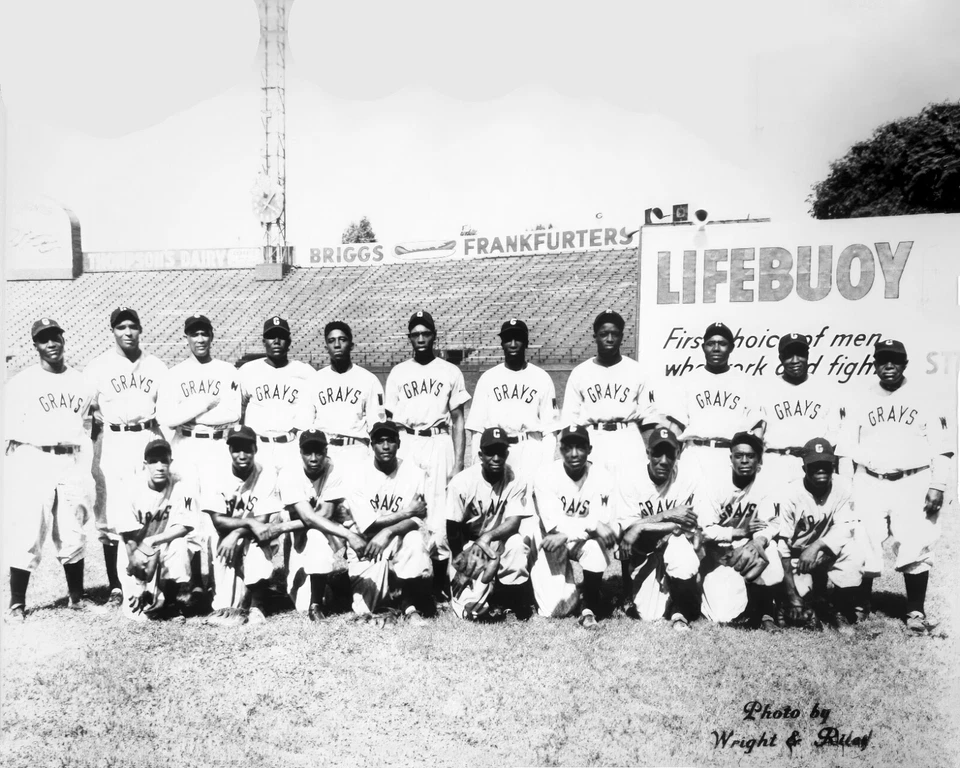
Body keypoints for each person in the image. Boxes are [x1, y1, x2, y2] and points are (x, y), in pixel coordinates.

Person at [840, 339, 953, 634]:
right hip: (869, 479)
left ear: (905, 364)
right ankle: (860, 604)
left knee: (917, 542)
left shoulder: (924, 397)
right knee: (863, 539)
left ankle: (915, 609)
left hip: (913, 479)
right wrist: (845, 487)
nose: (888, 365)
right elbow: (845, 449)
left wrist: (937, 484)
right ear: (875, 364)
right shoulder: (860, 397)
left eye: (894, 360)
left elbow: (941, 448)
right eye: (883, 360)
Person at [4, 318, 102, 621]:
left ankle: (76, 597)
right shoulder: (22, 382)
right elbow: (9, 429)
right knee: (29, 529)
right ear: (36, 346)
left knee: (72, 527)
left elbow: (93, 418)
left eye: (55, 337)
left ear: (63, 339)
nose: (51, 344)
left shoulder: (81, 381)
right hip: (35, 457)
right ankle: (17, 603)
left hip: (70, 458)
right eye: (44, 340)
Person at [157, 313, 243, 608]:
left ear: (212, 336)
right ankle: (194, 582)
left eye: (204, 333)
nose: (200, 339)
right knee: (188, 510)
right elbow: (168, 418)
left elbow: (232, 413)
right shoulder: (175, 373)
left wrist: (190, 412)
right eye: (194, 334)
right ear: (187, 338)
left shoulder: (227, 370)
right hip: (185, 445)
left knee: (215, 511)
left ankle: (218, 581)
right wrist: (204, 403)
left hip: (216, 446)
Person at [384, 310, 470, 599]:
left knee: (441, 511)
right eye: (415, 334)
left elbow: (458, 419)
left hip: (439, 440)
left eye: (426, 333)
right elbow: (392, 421)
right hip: (409, 441)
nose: (421, 339)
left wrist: (458, 463)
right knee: (412, 507)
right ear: (410, 338)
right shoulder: (398, 372)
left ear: (434, 336)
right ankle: (409, 581)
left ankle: (439, 586)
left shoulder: (449, 371)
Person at [85, 306, 167, 608]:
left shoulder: (156, 366)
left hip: (146, 437)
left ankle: (148, 578)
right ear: (113, 331)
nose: (128, 333)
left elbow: (166, 410)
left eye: (132, 326)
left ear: (140, 329)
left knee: (148, 508)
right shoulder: (98, 367)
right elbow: (85, 409)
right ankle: (116, 585)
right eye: (121, 328)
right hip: (114, 439)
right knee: (111, 514)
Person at [343, 421, 434, 623]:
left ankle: (409, 605)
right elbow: (368, 524)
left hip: (397, 538)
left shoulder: (414, 473)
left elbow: (417, 519)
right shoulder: (356, 474)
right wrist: (407, 512)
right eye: (380, 441)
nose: (385, 446)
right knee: (366, 609)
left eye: (390, 441)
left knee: (415, 540)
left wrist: (389, 531)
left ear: (399, 443)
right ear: (371, 445)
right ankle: (341, 584)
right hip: (366, 543)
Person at [529, 426, 617, 628]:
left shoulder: (603, 477)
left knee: (596, 549)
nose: (574, 453)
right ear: (560, 449)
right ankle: (541, 584)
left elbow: (605, 528)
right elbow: (554, 528)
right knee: (555, 610)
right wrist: (591, 524)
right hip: (550, 542)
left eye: (580, 447)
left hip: (578, 540)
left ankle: (589, 604)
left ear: (590, 449)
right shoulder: (545, 475)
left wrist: (587, 527)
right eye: (568, 447)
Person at [662, 321, 765, 491]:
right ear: (703, 347)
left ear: (731, 347)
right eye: (711, 344)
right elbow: (676, 427)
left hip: (730, 456)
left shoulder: (746, 381)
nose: (716, 348)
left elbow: (756, 430)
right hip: (695, 454)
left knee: (730, 511)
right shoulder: (688, 380)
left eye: (722, 344)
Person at [199, 425, 285, 626]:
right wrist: (246, 523)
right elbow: (218, 521)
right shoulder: (215, 474)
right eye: (236, 449)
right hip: (223, 537)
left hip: (252, 536)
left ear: (255, 449)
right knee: (228, 605)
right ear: (229, 451)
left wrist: (237, 532)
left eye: (247, 449)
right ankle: (235, 591)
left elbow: (262, 523)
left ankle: (258, 605)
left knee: (261, 538)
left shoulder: (266, 474)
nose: (242, 454)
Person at [446, 427, 534, 621]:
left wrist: (488, 538)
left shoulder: (516, 479)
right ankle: (482, 590)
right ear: (480, 455)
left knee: (517, 545)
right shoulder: (462, 482)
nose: (496, 457)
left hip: (499, 538)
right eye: (490, 452)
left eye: (500, 452)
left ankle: (511, 598)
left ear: (507, 454)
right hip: (469, 544)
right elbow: (452, 529)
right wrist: (461, 566)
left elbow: (513, 522)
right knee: (471, 611)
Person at [277, 429, 367, 618]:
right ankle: (337, 581)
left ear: (327, 451)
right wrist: (288, 526)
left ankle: (316, 603)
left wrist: (282, 528)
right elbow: (310, 518)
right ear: (300, 452)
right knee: (298, 602)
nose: (314, 458)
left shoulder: (335, 469)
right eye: (308, 452)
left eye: (319, 451)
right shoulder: (289, 473)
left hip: (326, 530)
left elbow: (322, 514)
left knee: (316, 535)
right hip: (298, 536)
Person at [617, 427, 700, 631]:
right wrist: (667, 516)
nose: (663, 460)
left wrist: (643, 525)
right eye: (657, 453)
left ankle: (679, 610)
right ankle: (659, 590)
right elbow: (628, 529)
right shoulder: (630, 478)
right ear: (648, 453)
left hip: (674, 540)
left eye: (670, 454)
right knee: (648, 615)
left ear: (678, 454)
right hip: (645, 550)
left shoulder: (687, 477)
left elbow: (686, 524)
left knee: (684, 557)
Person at [778, 438, 864, 632]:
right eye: (814, 465)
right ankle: (789, 599)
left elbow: (845, 527)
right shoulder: (790, 494)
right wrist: (792, 595)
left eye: (826, 465)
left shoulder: (843, 487)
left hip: (822, 551)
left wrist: (816, 547)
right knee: (802, 609)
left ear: (833, 465)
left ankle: (839, 606)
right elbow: (781, 546)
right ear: (804, 469)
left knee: (854, 551)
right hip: (794, 558)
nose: (821, 470)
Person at [698, 432, 783, 629]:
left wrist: (758, 541)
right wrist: (739, 533)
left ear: (759, 460)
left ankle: (765, 612)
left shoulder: (767, 484)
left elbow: (772, 524)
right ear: (731, 459)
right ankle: (746, 599)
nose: (744, 461)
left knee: (772, 565)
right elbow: (706, 530)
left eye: (750, 456)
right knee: (721, 615)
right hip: (721, 551)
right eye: (738, 455)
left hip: (751, 545)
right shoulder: (714, 484)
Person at [561, 310, 656, 473]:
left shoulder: (637, 370)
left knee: (630, 491)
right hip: (593, 439)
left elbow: (649, 421)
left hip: (628, 437)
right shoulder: (580, 372)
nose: (610, 339)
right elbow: (570, 420)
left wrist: (651, 453)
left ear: (621, 336)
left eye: (615, 334)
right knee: (595, 492)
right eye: (604, 334)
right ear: (595, 337)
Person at [465, 319, 559, 483]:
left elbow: (550, 431)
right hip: (498, 451)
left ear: (527, 343)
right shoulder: (488, 378)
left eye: (518, 338)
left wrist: (546, 467)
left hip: (530, 448)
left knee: (530, 504)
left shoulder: (542, 378)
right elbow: (477, 430)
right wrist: (476, 465)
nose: (513, 344)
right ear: (502, 343)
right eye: (508, 339)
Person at [115, 439, 195, 621]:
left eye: (164, 461)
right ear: (145, 465)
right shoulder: (130, 487)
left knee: (180, 545)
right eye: (153, 461)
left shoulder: (181, 484)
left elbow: (186, 525)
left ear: (170, 462)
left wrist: (154, 542)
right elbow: (127, 536)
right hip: (135, 549)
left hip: (164, 545)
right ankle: (149, 593)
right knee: (142, 614)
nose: (159, 467)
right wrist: (139, 585)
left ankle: (171, 602)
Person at [760, 333, 842, 485]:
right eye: (789, 355)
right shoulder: (766, 389)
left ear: (808, 355)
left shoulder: (826, 388)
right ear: (780, 358)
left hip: (814, 465)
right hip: (776, 463)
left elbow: (834, 434)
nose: (795, 360)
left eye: (800, 354)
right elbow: (758, 435)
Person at [239, 316, 315, 476]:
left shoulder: (305, 372)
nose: (276, 341)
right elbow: (236, 410)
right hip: (258, 447)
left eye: (281, 336)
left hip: (290, 447)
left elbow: (314, 410)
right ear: (263, 341)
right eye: (271, 336)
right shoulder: (248, 371)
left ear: (289, 341)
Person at [309, 320, 385, 475]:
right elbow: (307, 425)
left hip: (356, 452)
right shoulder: (315, 380)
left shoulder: (368, 380)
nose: (337, 345)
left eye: (342, 339)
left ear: (351, 345)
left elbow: (376, 426)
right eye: (331, 341)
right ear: (326, 347)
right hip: (325, 452)